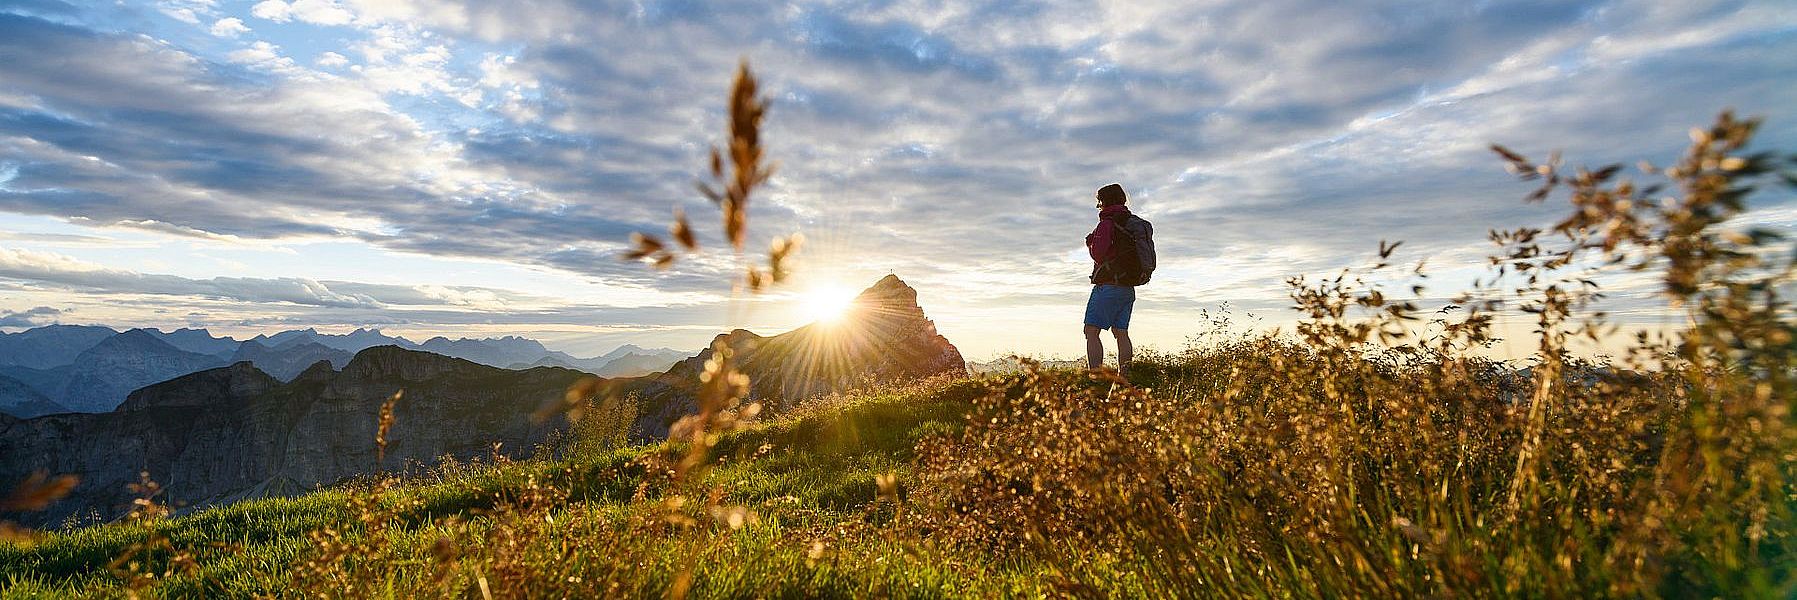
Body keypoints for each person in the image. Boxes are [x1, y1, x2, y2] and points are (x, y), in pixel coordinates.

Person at [1083, 183, 1154, 381]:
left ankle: (1096, 376)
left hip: (1107, 285)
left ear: (1103, 202)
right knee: (1121, 332)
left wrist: (1090, 243)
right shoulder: (1133, 223)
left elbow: (1098, 254)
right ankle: (1125, 374)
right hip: (1127, 288)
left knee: (1091, 330)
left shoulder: (1107, 224)